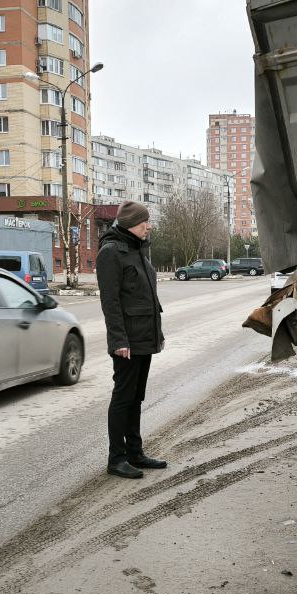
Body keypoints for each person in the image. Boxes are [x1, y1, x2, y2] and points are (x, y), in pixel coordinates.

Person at [97, 201, 167, 479]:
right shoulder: (111, 252)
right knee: (123, 398)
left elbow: (147, 296)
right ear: (130, 224)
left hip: (144, 336)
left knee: (136, 397)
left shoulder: (138, 249)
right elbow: (110, 302)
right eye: (144, 222)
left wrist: (157, 334)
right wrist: (118, 341)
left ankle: (135, 452)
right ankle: (116, 458)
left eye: (148, 221)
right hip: (127, 341)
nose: (148, 226)